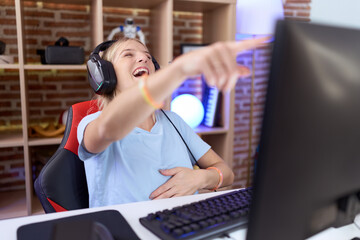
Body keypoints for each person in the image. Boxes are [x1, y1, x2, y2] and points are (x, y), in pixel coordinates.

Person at [78, 37, 268, 208]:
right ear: (105, 75)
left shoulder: (173, 121)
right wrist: (179, 69)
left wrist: (200, 178)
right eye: (128, 54)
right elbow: (109, 128)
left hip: (182, 223)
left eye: (148, 57)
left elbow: (227, 173)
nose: (144, 59)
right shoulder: (92, 123)